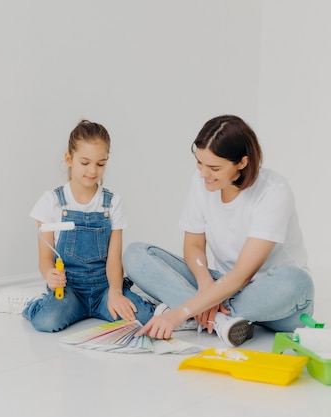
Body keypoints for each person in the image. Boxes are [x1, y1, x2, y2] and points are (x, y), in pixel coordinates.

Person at [123, 114, 314, 347]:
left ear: (242, 163)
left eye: (214, 167)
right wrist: (205, 286)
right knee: (136, 254)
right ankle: (222, 322)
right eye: (199, 163)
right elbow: (193, 245)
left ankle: (201, 316)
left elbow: (243, 274)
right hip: (221, 285)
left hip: (270, 296)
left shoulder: (274, 192)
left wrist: (179, 312)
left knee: (295, 281)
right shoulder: (202, 181)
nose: (203, 174)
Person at [0, 119, 155, 332]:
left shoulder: (112, 203)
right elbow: (45, 260)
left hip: (104, 288)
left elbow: (114, 259)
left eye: (100, 163)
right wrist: (50, 275)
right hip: (68, 290)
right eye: (85, 163)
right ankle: (33, 303)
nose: (93, 171)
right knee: (46, 321)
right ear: (69, 159)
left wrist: (115, 292)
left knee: (145, 318)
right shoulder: (51, 202)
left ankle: (117, 303)